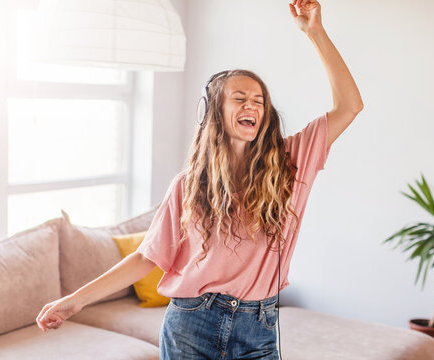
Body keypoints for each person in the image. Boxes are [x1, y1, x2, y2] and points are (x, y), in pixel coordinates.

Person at [36, 1, 363, 358]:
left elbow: (349, 105)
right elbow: (148, 257)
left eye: (259, 101)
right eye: (240, 99)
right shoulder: (188, 185)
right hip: (192, 324)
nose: (252, 106)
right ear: (216, 113)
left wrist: (314, 32)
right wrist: (75, 300)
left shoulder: (293, 161)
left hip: (260, 327)